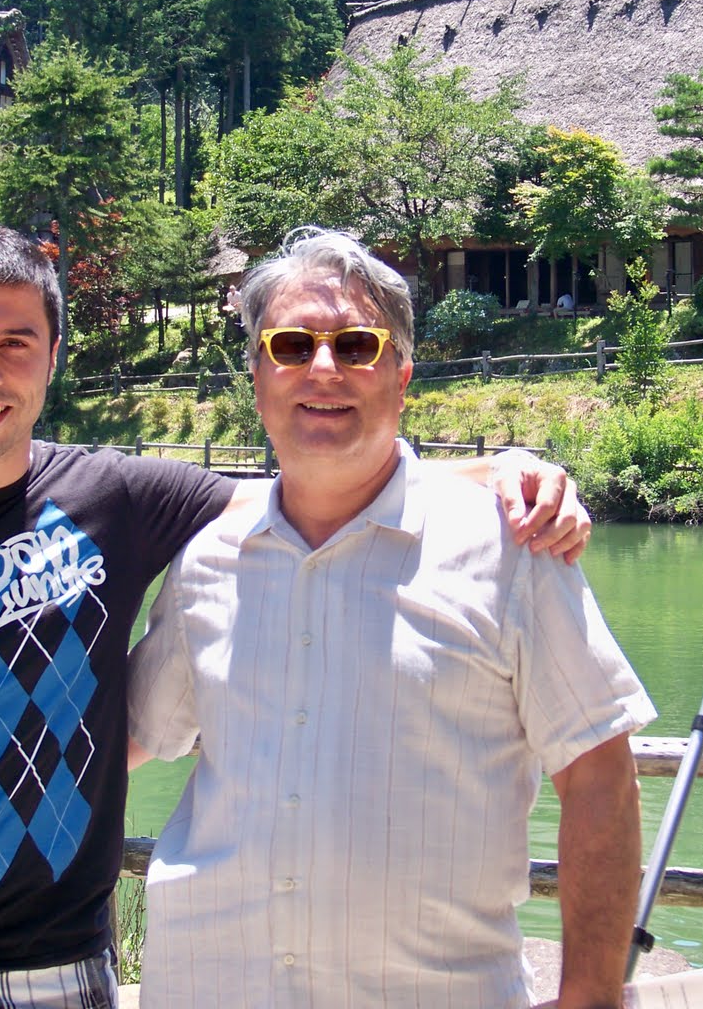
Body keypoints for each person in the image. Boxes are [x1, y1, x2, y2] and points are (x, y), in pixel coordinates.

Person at [0, 223, 591, 1009]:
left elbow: (320, 476)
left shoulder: (116, 499)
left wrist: (507, 469)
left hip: (59, 967)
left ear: (53, 356)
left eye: (15, 343)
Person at [129, 229, 655, 1009]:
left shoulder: (512, 550)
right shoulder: (205, 557)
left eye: (356, 345)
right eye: (292, 345)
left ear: (402, 376)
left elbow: (600, 776)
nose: (323, 368)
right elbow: (128, 738)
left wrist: (591, 996)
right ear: (257, 377)